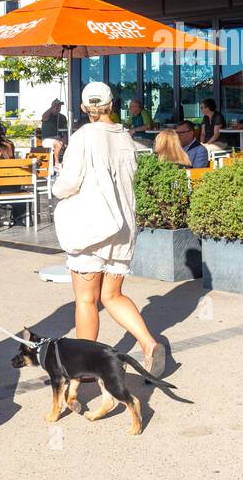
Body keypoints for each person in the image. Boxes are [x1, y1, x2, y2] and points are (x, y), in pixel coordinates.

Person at [53, 81, 167, 378]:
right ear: (112, 105)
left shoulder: (82, 137)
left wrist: (56, 184)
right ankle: (149, 343)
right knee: (113, 295)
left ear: (83, 108)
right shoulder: (125, 137)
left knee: (86, 299)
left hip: (92, 227)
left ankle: (84, 366)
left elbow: (68, 184)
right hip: (123, 227)